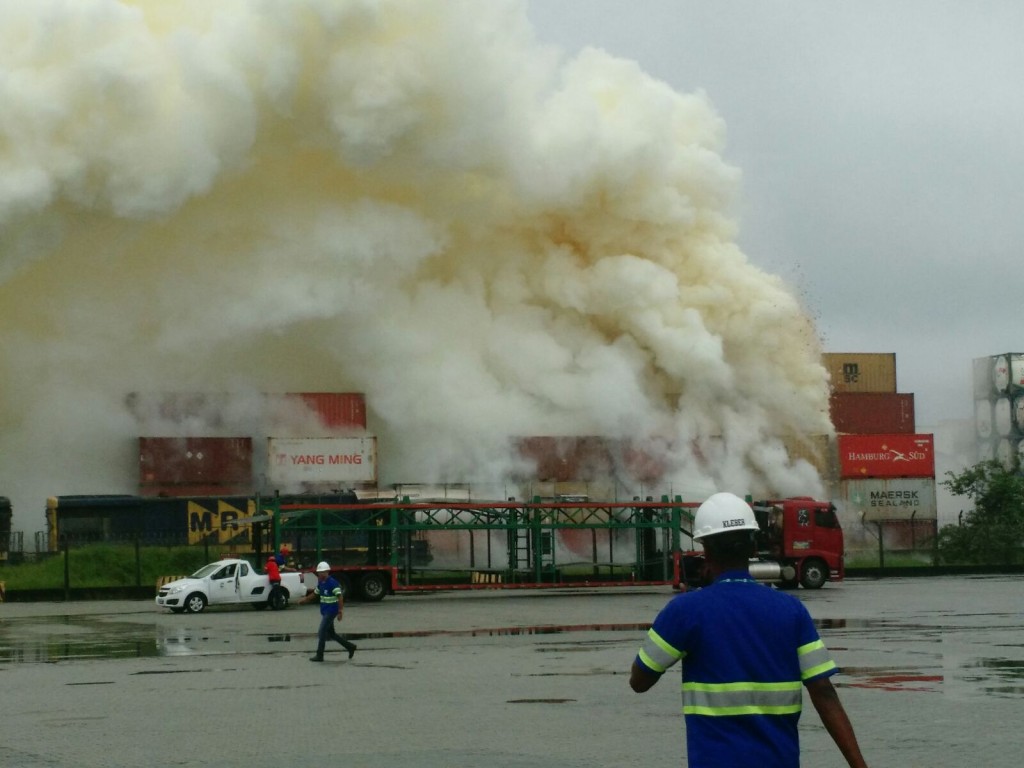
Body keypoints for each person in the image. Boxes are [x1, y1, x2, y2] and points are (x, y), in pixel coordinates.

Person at [630, 492, 868, 768]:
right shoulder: (792, 611)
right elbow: (824, 692)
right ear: (752, 545)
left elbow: (639, 681)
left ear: (705, 549)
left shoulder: (685, 611)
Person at [299, 561, 357, 662]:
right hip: (325, 611)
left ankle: (319, 655)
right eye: (319, 572)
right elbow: (315, 593)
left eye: (322, 572)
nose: (320, 574)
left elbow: (340, 597)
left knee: (321, 632)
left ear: (327, 572)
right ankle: (350, 646)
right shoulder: (321, 582)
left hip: (331, 611)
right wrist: (305, 600)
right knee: (332, 634)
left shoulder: (333, 583)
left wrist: (340, 611)